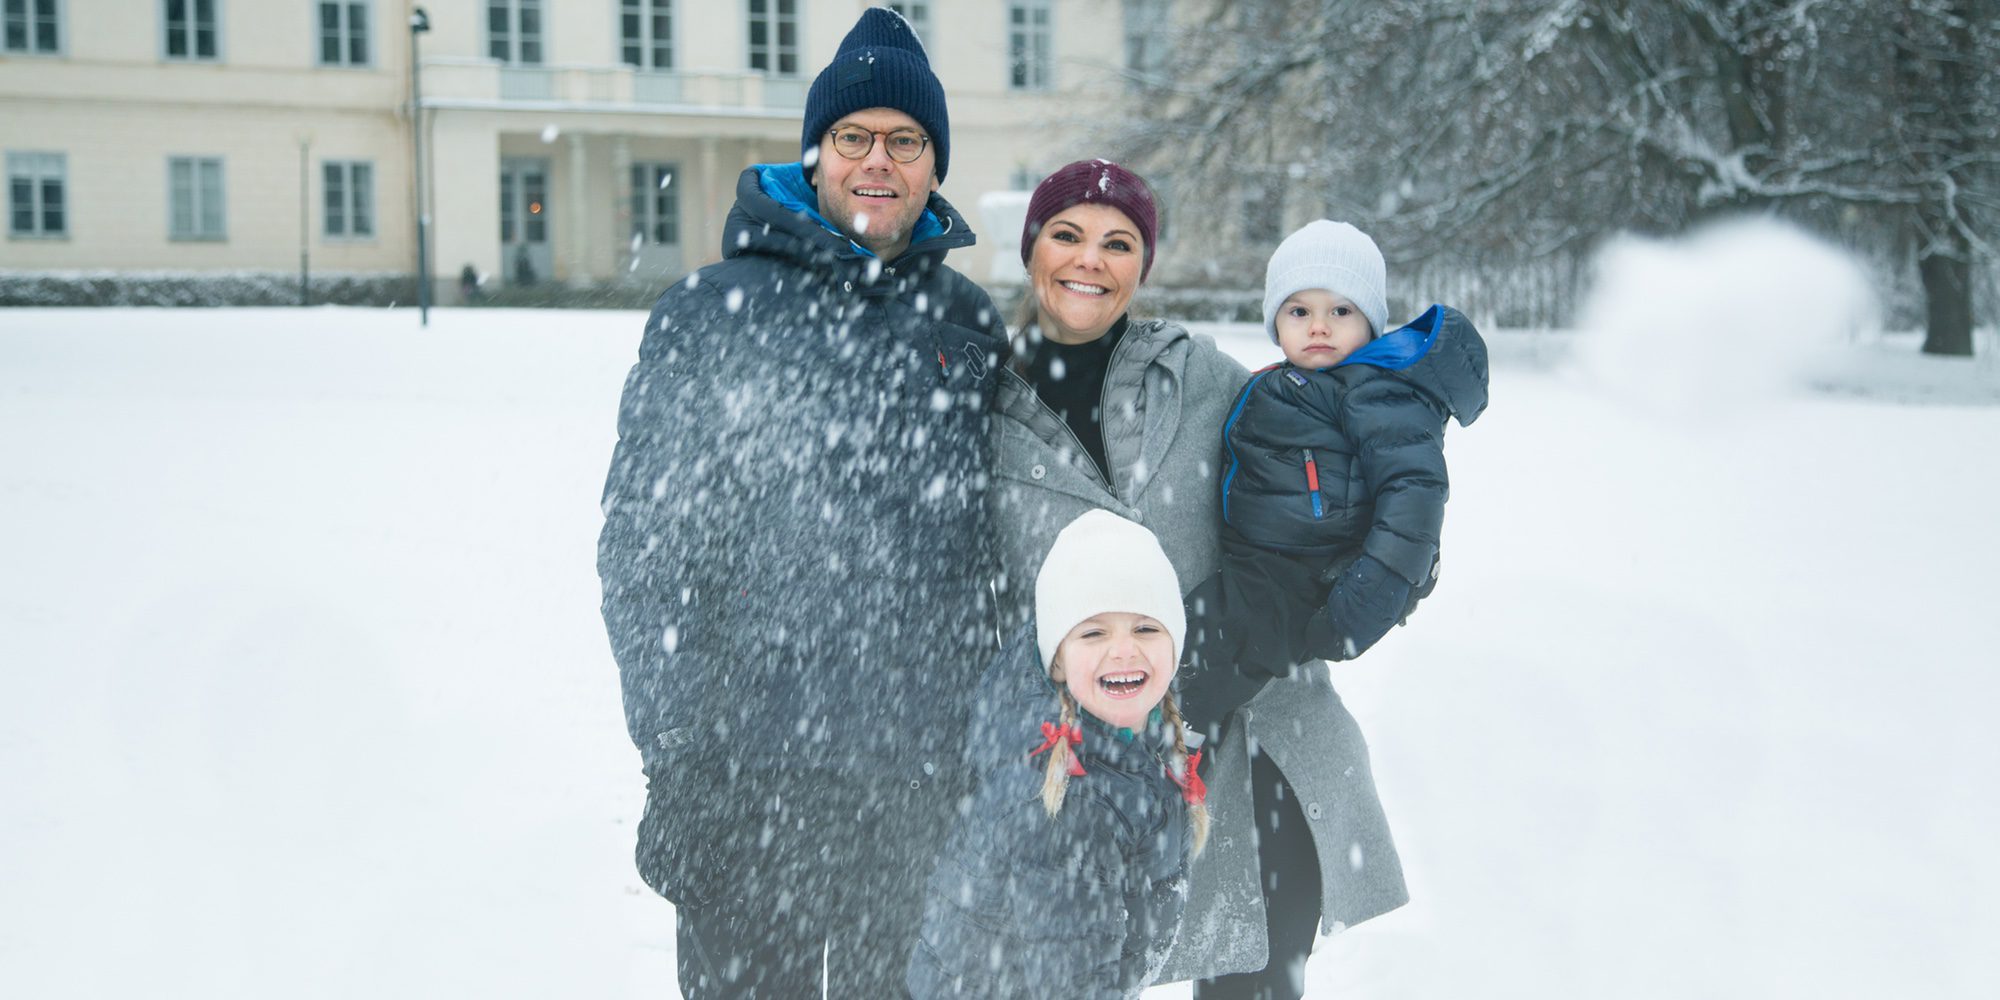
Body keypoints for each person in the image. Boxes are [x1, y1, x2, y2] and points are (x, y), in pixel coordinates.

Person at [595, 9, 1007, 996]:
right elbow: (650, 554)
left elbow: (1001, 553)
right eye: (854, 136)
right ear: (815, 153)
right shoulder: (709, 313)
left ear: (931, 166)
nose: (879, 160)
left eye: (905, 141)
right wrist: (684, 757)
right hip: (748, 782)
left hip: (917, 795)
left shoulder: (966, 323)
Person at [984, 160, 1408, 999]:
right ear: (1031, 248)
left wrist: (1392, 554)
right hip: (1085, 765)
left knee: (1251, 978)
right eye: (1066, 235)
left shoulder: (1204, 378)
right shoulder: (986, 417)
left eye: (1119, 242)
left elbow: (1336, 507)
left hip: (1258, 754)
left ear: (1144, 264)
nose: (1089, 260)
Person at [908, 509, 1208, 998]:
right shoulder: (1071, 804)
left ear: (1174, 645)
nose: (1124, 651)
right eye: (1094, 633)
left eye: (1146, 629)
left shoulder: (1131, 741)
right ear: (1059, 662)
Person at [1212, 220, 1489, 682]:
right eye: (1299, 312)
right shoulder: (1290, 381)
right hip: (1256, 562)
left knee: (1216, 654)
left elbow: (1412, 495)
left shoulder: (1375, 393)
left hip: (1305, 576)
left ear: (1370, 324)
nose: (1319, 326)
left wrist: (1370, 596)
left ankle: (1178, 738)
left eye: (1341, 311)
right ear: (1275, 324)